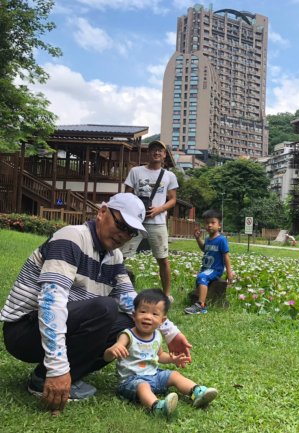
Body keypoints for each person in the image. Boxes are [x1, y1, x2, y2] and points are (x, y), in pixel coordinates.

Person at [0, 193, 192, 415]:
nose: (123, 235)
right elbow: (51, 303)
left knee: (126, 323)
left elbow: (132, 300)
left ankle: (67, 376)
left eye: (131, 232)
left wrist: (170, 333)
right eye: (121, 224)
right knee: (106, 308)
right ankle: (46, 377)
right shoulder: (71, 238)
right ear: (102, 212)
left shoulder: (114, 256)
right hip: (24, 330)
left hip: (62, 324)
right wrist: (57, 367)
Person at [104, 289, 217, 417]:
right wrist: (112, 351)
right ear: (134, 315)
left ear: (162, 320)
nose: (148, 316)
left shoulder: (157, 335)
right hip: (131, 381)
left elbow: (160, 355)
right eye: (143, 311)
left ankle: (197, 392)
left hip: (154, 375)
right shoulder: (127, 335)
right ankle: (157, 407)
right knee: (143, 386)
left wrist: (173, 359)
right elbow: (107, 357)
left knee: (174, 375)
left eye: (154, 314)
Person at [121, 140, 179, 302]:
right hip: (135, 222)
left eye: (160, 150)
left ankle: (166, 295)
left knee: (162, 258)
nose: (156, 152)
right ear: (149, 152)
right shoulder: (136, 171)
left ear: (164, 155)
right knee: (121, 256)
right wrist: (136, 208)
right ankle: (113, 287)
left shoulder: (169, 176)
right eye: (153, 149)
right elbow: (127, 195)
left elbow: (173, 199)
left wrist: (158, 209)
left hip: (158, 222)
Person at [184, 209, 234, 315]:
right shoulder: (207, 239)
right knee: (200, 277)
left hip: (215, 269)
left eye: (213, 222)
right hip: (206, 268)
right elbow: (204, 249)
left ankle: (201, 306)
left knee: (202, 277)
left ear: (219, 225)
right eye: (207, 223)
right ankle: (198, 299)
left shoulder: (221, 240)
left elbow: (226, 256)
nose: (209, 225)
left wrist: (229, 273)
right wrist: (198, 239)